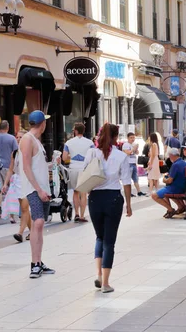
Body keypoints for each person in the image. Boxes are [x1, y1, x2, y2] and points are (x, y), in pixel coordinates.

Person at [83, 123, 132, 293]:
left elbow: (85, 174)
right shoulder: (121, 156)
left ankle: (98, 274)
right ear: (116, 137)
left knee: (100, 237)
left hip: (95, 198)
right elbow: (126, 182)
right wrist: (129, 205)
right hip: (113, 198)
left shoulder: (91, 153)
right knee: (109, 241)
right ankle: (105, 283)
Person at [19, 111, 54, 278]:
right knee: (38, 221)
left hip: (41, 187)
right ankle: (34, 263)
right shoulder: (27, 139)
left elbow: (35, 166)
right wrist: (39, 189)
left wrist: (52, 165)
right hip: (34, 188)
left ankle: (39, 262)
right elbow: (26, 167)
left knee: (40, 224)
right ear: (43, 124)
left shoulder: (36, 141)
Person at [63, 123, 95, 222]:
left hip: (73, 168)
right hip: (84, 168)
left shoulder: (68, 143)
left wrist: (71, 156)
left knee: (75, 192)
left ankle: (76, 214)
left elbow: (64, 158)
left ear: (76, 131)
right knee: (83, 193)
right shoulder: (90, 143)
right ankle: (82, 215)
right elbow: (93, 157)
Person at [151, 148, 186, 218]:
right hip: (183, 187)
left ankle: (170, 209)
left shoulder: (175, 165)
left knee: (154, 195)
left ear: (171, 155)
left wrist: (164, 180)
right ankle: (181, 206)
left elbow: (169, 180)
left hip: (175, 188)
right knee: (165, 190)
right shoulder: (184, 163)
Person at [2, 130, 27, 227]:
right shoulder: (15, 153)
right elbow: (10, 169)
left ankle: (22, 231)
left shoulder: (29, 151)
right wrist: (5, 183)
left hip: (26, 181)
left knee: (25, 208)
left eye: (21, 137)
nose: (18, 139)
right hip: (16, 181)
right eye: (17, 137)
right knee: (17, 204)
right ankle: (24, 229)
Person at [0, 120, 18, 191]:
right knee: (10, 188)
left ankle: (0, 201)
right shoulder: (12, 138)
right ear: (8, 128)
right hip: (8, 166)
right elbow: (16, 152)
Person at [122, 132, 145, 197]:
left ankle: (139, 191)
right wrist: (133, 149)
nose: (132, 139)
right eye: (131, 137)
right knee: (128, 179)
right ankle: (129, 192)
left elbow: (136, 153)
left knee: (135, 179)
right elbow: (128, 153)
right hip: (128, 163)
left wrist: (136, 149)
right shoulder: (126, 145)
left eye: (133, 137)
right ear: (128, 138)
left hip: (134, 163)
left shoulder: (133, 144)